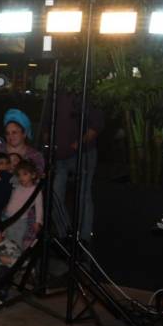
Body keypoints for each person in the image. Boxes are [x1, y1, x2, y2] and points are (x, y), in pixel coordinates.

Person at [49, 91, 103, 240]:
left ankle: (83, 238)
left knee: (83, 195)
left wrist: (77, 144)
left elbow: (96, 124)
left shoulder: (86, 90)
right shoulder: (56, 91)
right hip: (60, 155)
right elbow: (48, 120)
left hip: (83, 153)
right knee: (55, 196)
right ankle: (66, 235)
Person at [3, 160, 44, 250]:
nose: (21, 177)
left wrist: (38, 222)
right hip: (7, 218)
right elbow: (12, 198)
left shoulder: (35, 190)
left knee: (16, 243)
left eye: (25, 174)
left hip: (20, 221)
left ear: (33, 175)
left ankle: (18, 257)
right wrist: (7, 206)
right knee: (5, 241)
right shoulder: (17, 185)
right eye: (19, 175)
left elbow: (39, 207)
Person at [0, 108, 45, 174]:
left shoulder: (35, 156)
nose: (10, 136)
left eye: (14, 132)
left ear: (24, 134)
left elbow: (37, 176)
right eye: (7, 133)